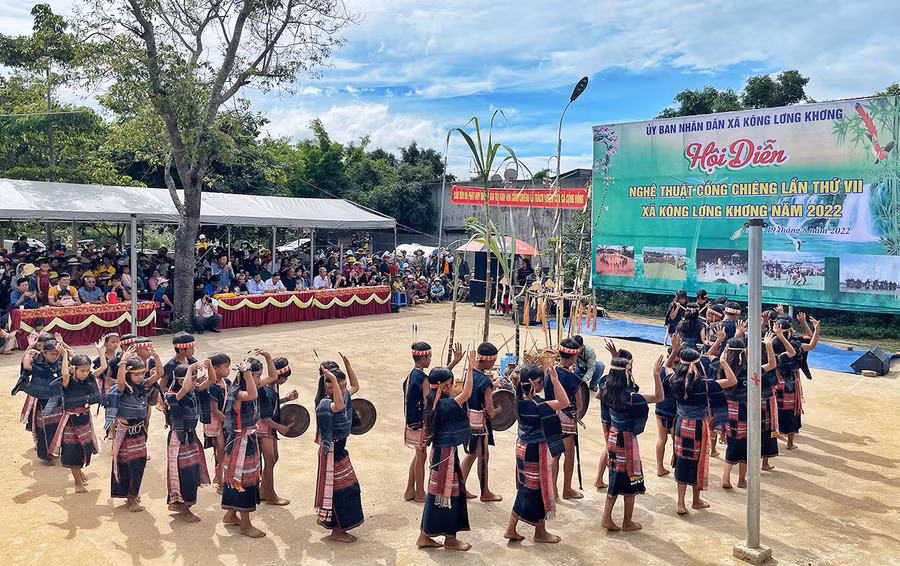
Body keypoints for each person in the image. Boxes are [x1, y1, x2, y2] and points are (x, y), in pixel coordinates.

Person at [600, 355, 666, 531]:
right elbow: (659, 396)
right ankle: (627, 522)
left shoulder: (607, 392)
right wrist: (656, 374)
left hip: (613, 437)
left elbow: (599, 393)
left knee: (615, 478)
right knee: (631, 478)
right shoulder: (630, 398)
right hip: (626, 442)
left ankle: (607, 517)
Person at [417, 353, 475, 552]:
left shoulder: (431, 401)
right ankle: (450, 539)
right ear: (444, 386)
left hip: (439, 454)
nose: (452, 388)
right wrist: (470, 369)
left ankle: (424, 536)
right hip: (446, 457)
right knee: (449, 496)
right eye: (450, 384)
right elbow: (467, 393)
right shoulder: (445, 405)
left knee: (436, 495)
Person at [503, 364, 567, 543]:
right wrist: (555, 380)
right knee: (539, 490)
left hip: (522, 449)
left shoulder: (519, 401)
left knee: (526, 488)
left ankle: (511, 528)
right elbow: (564, 403)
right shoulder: (538, 406)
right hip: (534, 452)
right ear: (535, 384)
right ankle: (540, 532)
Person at [669, 347, 736, 514]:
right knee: (698, 462)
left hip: (681, 425)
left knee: (682, 461)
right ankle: (696, 500)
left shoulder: (674, 380)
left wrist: (674, 351)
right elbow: (732, 380)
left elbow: (666, 367)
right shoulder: (706, 385)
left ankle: (680, 503)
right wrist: (722, 362)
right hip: (699, 426)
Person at [404, 343, 463, 502]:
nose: (431, 360)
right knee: (421, 456)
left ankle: (410, 490)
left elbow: (438, 380)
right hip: (421, 422)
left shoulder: (412, 374)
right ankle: (420, 492)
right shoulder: (423, 379)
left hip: (411, 421)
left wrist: (454, 362)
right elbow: (429, 400)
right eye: (430, 357)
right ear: (424, 359)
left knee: (418, 455)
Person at [314, 357, 365, 543]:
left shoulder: (342, 396)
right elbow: (339, 406)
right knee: (338, 491)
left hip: (340, 450)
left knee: (349, 488)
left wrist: (348, 366)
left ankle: (335, 526)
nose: (344, 390)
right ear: (328, 387)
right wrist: (334, 381)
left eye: (344, 386)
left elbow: (355, 386)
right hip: (331, 452)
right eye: (339, 386)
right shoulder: (325, 404)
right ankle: (336, 531)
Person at [111, 347, 162, 512]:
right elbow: (120, 382)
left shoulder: (144, 385)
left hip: (139, 432)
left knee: (139, 464)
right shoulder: (124, 388)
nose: (140, 377)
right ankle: (130, 497)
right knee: (126, 465)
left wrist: (156, 358)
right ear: (128, 374)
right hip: (126, 432)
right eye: (136, 374)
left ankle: (133, 493)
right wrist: (122, 362)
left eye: (142, 373)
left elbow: (160, 374)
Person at [221, 356, 266, 538]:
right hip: (240, 443)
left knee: (244, 478)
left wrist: (267, 357)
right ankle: (245, 525)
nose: (259, 380)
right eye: (257, 376)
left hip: (247, 441)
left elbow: (271, 378)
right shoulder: (238, 393)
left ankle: (231, 514)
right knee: (243, 481)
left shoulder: (249, 388)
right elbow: (253, 395)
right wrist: (247, 373)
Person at [52, 348, 106, 492]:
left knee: (84, 449)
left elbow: (103, 367)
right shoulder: (67, 382)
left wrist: (101, 352)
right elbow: (65, 374)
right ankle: (77, 483)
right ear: (73, 369)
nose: (85, 373)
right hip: (71, 421)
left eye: (87, 370)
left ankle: (79, 472)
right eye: (82, 370)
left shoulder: (89, 379)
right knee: (73, 450)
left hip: (85, 419)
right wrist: (64, 355)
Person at [165, 361, 211, 522]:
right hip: (179, 439)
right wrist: (190, 368)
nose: (195, 381)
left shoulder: (194, 391)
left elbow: (211, 380)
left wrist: (209, 366)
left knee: (193, 471)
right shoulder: (172, 396)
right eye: (192, 379)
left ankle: (179, 505)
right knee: (184, 473)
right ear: (180, 381)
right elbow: (184, 388)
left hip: (191, 436)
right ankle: (184, 508)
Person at [460, 342, 502, 502]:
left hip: (467, 421)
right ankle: (485, 492)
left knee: (471, 454)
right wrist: (499, 410)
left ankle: (460, 488)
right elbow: (490, 411)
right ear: (488, 360)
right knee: (483, 457)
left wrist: (493, 387)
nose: (493, 364)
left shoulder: (469, 374)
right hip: (479, 426)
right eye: (493, 361)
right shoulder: (485, 382)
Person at [545, 337, 585, 500]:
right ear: (574, 357)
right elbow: (579, 405)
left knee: (554, 455)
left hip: (550, 415)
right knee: (569, 455)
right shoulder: (573, 378)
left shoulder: (550, 372)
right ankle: (566, 489)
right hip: (566, 418)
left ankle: (553, 490)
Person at [257, 355, 297, 506]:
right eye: (284, 377)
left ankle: (263, 491)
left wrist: (286, 399)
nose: (285, 380)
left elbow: (271, 405)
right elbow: (265, 417)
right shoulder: (266, 391)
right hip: (263, 429)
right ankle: (271, 496)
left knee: (274, 458)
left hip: (269, 426)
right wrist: (281, 427)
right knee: (269, 460)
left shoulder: (273, 386)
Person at [23, 339, 66, 464]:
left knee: (58, 427)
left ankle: (57, 451)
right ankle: (46, 456)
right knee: (45, 430)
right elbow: (26, 366)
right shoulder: (38, 364)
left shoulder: (60, 363)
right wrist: (28, 351)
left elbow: (71, 361)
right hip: (43, 402)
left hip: (58, 401)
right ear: (44, 353)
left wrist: (64, 353)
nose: (55, 356)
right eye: (52, 354)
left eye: (57, 354)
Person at [201, 353, 231, 491]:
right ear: (215, 369)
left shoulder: (226, 382)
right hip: (216, 424)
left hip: (224, 420)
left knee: (225, 452)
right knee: (220, 453)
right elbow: (214, 411)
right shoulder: (211, 387)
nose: (228, 369)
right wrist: (228, 422)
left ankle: (220, 477)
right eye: (226, 366)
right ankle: (220, 481)